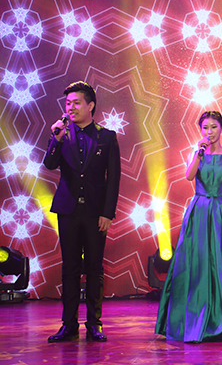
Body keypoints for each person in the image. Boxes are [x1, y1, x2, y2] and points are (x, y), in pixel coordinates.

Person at [155, 110, 222, 342]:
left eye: (214, 127)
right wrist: (199, 154)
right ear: (200, 130)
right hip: (200, 211)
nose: (209, 132)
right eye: (205, 128)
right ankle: (194, 319)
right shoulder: (196, 154)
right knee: (198, 265)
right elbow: (189, 176)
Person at [44, 81, 121, 342]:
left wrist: (108, 213)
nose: (71, 107)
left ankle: (94, 324)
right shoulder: (62, 134)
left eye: (76, 103)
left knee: (95, 268)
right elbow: (49, 164)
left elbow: (113, 178)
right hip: (67, 211)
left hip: (95, 212)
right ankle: (68, 325)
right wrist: (55, 139)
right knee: (70, 268)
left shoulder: (107, 136)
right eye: (68, 103)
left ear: (90, 105)